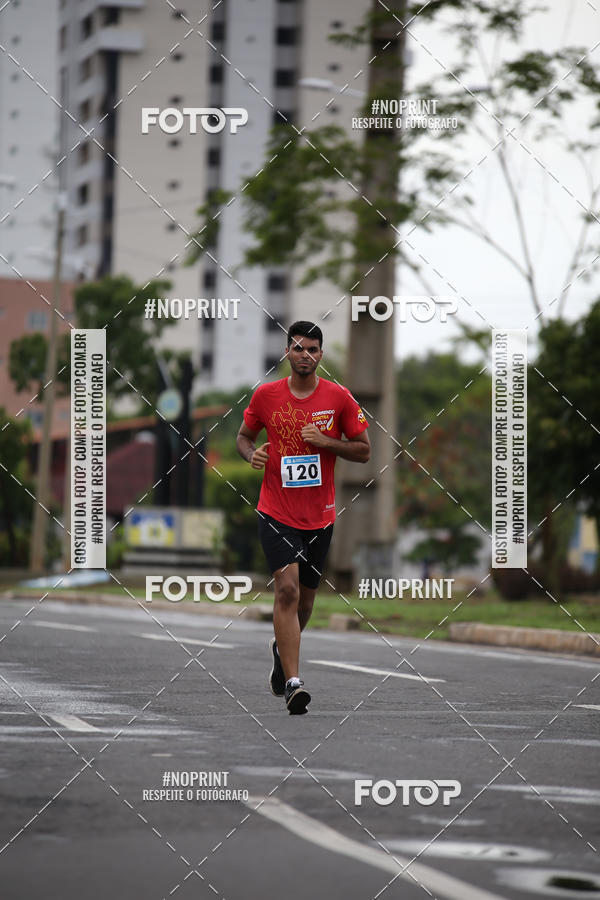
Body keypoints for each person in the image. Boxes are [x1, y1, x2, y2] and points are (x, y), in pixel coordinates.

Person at [236, 321, 370, 714]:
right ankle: (294, 683)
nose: (305, 355)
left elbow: (363, 450)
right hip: (276, 510)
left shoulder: (339, 398)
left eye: (312, 349)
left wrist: (325, 441)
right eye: (298, 348)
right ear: (287, 353)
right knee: (288, 591)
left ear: (321, 355)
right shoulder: (266, 396)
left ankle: (282, 652)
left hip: (320, 516)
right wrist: (251, 455)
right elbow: (244, 437)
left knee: (307, 603)